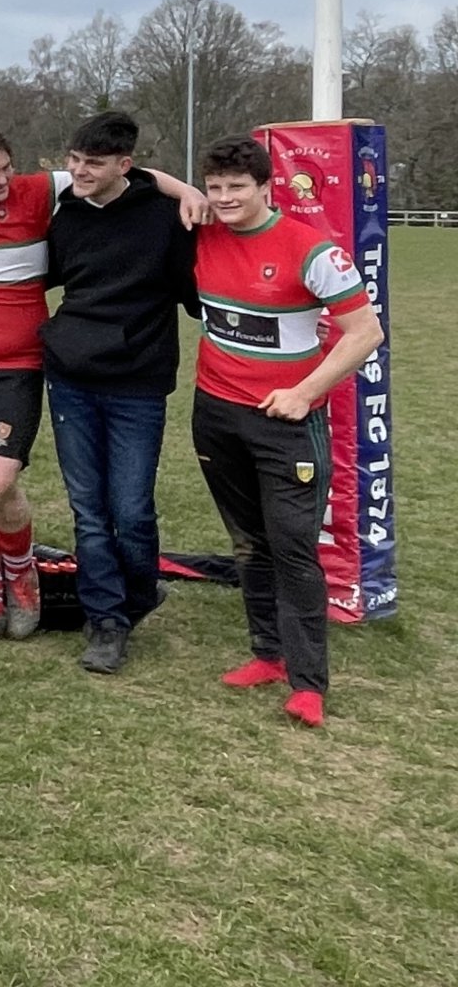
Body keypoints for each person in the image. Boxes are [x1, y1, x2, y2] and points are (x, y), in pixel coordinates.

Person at [0, 122, 206, 647]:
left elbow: (124, 169)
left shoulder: (41, 189)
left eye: (8, 167)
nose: (5, 180)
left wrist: (187, 190)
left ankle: (24, 578)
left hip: (18, 362)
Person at [190, 135, 382, 729]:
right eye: (215, 187)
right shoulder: (202, 232)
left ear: (267, 187)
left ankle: (307, 684)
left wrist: (304, 393)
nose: (224, 198)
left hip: (285, 423)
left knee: (293, 548)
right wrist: (186, 195)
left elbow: (364, 333)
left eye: (236, 188)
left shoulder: (312, 249)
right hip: (216, 414)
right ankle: (267, 655)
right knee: (248, 543)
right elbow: (145, 179)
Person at [43, 111, 199, 674]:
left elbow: (199, 297)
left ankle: (137, 594)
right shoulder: (65, 216)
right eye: (75, 159)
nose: (80, 171)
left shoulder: (168, 219)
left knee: (130, 510)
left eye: (94, 163)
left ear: (125, 165)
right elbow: (42, 277)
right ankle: (106, 620)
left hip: (138, 384)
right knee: (88, 509)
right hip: (69, 380)